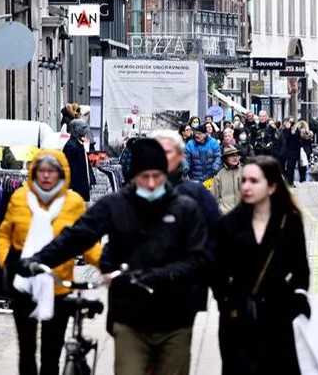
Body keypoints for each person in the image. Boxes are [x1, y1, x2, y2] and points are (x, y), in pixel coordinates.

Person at [21, 139, 210, 375]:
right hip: (130, 316)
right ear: (132, 176)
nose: (151, 184)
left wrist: (161, 275)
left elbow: (200, 259)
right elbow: (78, 235)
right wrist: (39, 259)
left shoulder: (184, 209)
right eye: (144, 177)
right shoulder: (116, 205)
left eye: (156, 176)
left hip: (175, 318)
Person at [0, 150, 101, 375]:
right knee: (26, 349)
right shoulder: (20, 197)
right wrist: (5, 260)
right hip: (24, 283)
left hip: (58, 285)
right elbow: (5, 232)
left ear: (61, 174)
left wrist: (106, 264)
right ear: (34, 172)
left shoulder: (73, 202)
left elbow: (85, 238)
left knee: (51, 353)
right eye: (41, 170)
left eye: (51, 171)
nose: (46, 176)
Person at [213, 156, 310, 375]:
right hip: (237, 316)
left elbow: (301, 268)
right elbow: (216, 270)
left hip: (278, 314)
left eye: (254, 181)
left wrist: (297, 298)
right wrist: (226, 302)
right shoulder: (229, 224)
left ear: (272, 186)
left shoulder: (289, 221)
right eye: (244, 180)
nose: (246, 186)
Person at [151, 130, 220, 318]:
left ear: (180, 156)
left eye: (166, 152)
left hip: (184, 289)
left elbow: (217, 237)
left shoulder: (195, 194)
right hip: (142, 290)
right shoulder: (135, 192)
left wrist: (201, 270)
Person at [62, 119, 94, 202]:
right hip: (76, 188)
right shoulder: (71, 147)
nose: (85, 131)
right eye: (83, 128)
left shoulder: (79, 144)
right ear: (76, 129)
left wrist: (90, 180)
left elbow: (85, 166)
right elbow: (70, 168)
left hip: (81, 187)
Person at [213, 147, 243, 214]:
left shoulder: (245, 171)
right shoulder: (219, 175)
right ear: (226, 159)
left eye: (237, 155)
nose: (235, 158)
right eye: (232, 155)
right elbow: (214, 196)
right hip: (225, 213)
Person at [281, 118, 302, 186]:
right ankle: (287, 180)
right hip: (285, 152)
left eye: (292, 122)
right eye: (290, 122)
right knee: (283, 168)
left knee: (291, 167)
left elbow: (298, 142)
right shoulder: (284, 130)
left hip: (293, 153)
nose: (291, 123)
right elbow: (285, 139)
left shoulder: (296, 130)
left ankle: (290, 182)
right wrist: (288, 129)